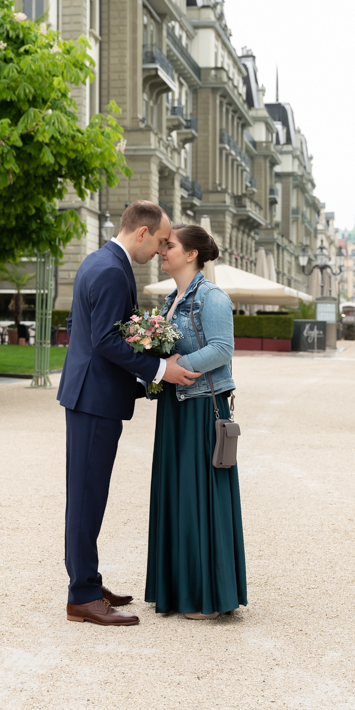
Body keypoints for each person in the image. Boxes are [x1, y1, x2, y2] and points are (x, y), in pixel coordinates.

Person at [58, 202, 202, 627]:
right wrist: (161, 369)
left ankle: (87, 579)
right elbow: (104, 339)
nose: (160, 250)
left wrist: (141, 379)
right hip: (92, 401)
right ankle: (82, 596)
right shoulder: (109, 270)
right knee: (86, 499)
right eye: (159, 241)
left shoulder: (99, 262)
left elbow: (83, 327)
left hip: (93, 396)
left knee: (89, 496)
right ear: (141, 232)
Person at [146, 224, 247, 620]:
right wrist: (155, 367)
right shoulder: (171, 299)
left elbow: (222, 349)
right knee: (176, 494)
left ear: (191, 254)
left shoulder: (213, 297)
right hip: (175, 406)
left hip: (202, 406)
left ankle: (206, 597)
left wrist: (174, 368)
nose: (161, 250)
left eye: (169, 246)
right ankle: (176, 591)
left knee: (198, 496)